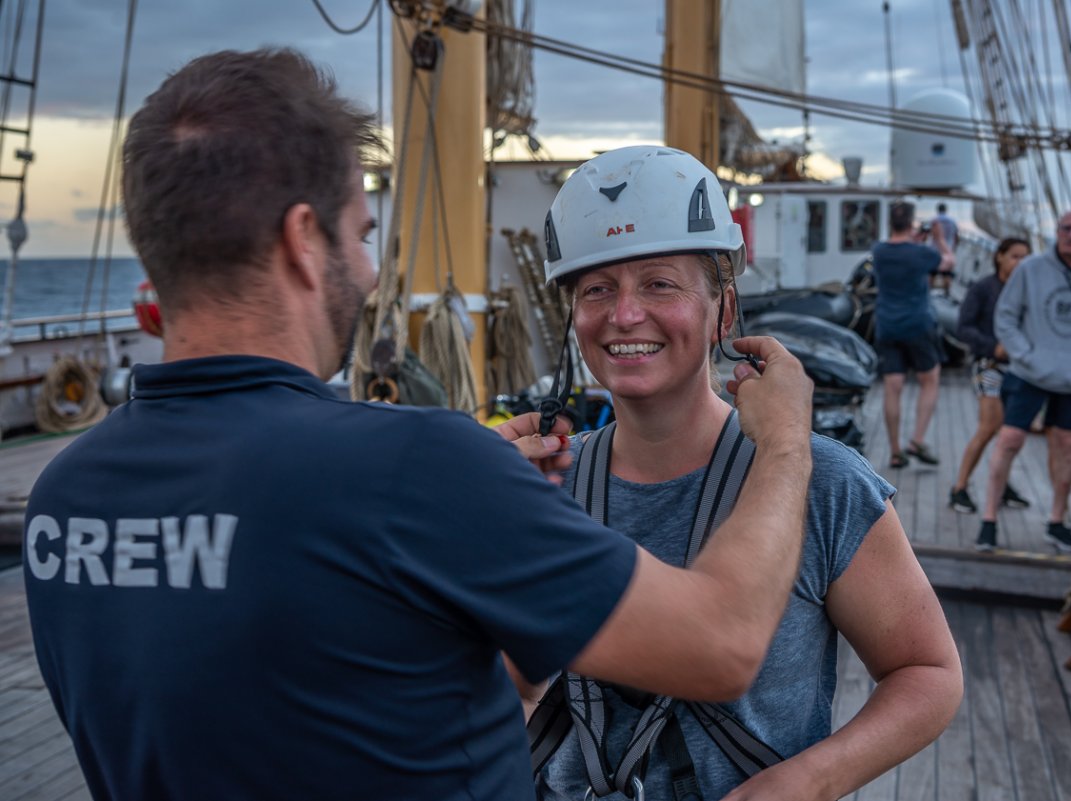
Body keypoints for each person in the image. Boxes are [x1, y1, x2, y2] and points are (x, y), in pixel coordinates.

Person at [22, 50, 819, 801]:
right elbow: (721, 643)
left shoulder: (66, 499)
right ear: (304, 241)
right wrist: (785, 443)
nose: (369, 269)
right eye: (361, 232)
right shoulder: (414, 468)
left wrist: (485, 528)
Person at [522, 146, 962, 801]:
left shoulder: (824, 484)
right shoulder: (540, 484)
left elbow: (927, 670)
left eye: (658, 283)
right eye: (597, 289)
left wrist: (808, 780)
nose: (623, 314)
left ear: (723, 311)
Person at [977, 210, 1071, 553]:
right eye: (1065, 228)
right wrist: (1025, 354)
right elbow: (1005, 317)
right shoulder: (1031, 270)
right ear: (1056, 232)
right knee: (1010, 439)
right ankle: (988, 520)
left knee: (1065, 445)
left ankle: (1057, 521)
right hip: (1029, 372)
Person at [948, 237, 1033, 516]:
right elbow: (964, 327)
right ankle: (959, 488)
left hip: (1020, 370)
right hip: (989, 365)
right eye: (1015, 256)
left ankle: (1002, 484)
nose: (1020, 262)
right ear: (999, 257)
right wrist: (992, 346)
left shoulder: (1029, 291)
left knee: (1009, 432)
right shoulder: (983, 288)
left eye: (1025, 257)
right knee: (988, 427)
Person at [873, 201, 954, 468]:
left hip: (887, 325)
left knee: (892, 386)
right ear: (911, 223)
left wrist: (914, 241)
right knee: (929, 379)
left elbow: (899, 250)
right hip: (918, 324)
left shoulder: (880, 251)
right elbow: (947, 262)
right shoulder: (922, 254)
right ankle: (917, 440)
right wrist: (940, 240)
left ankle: (895, 451)